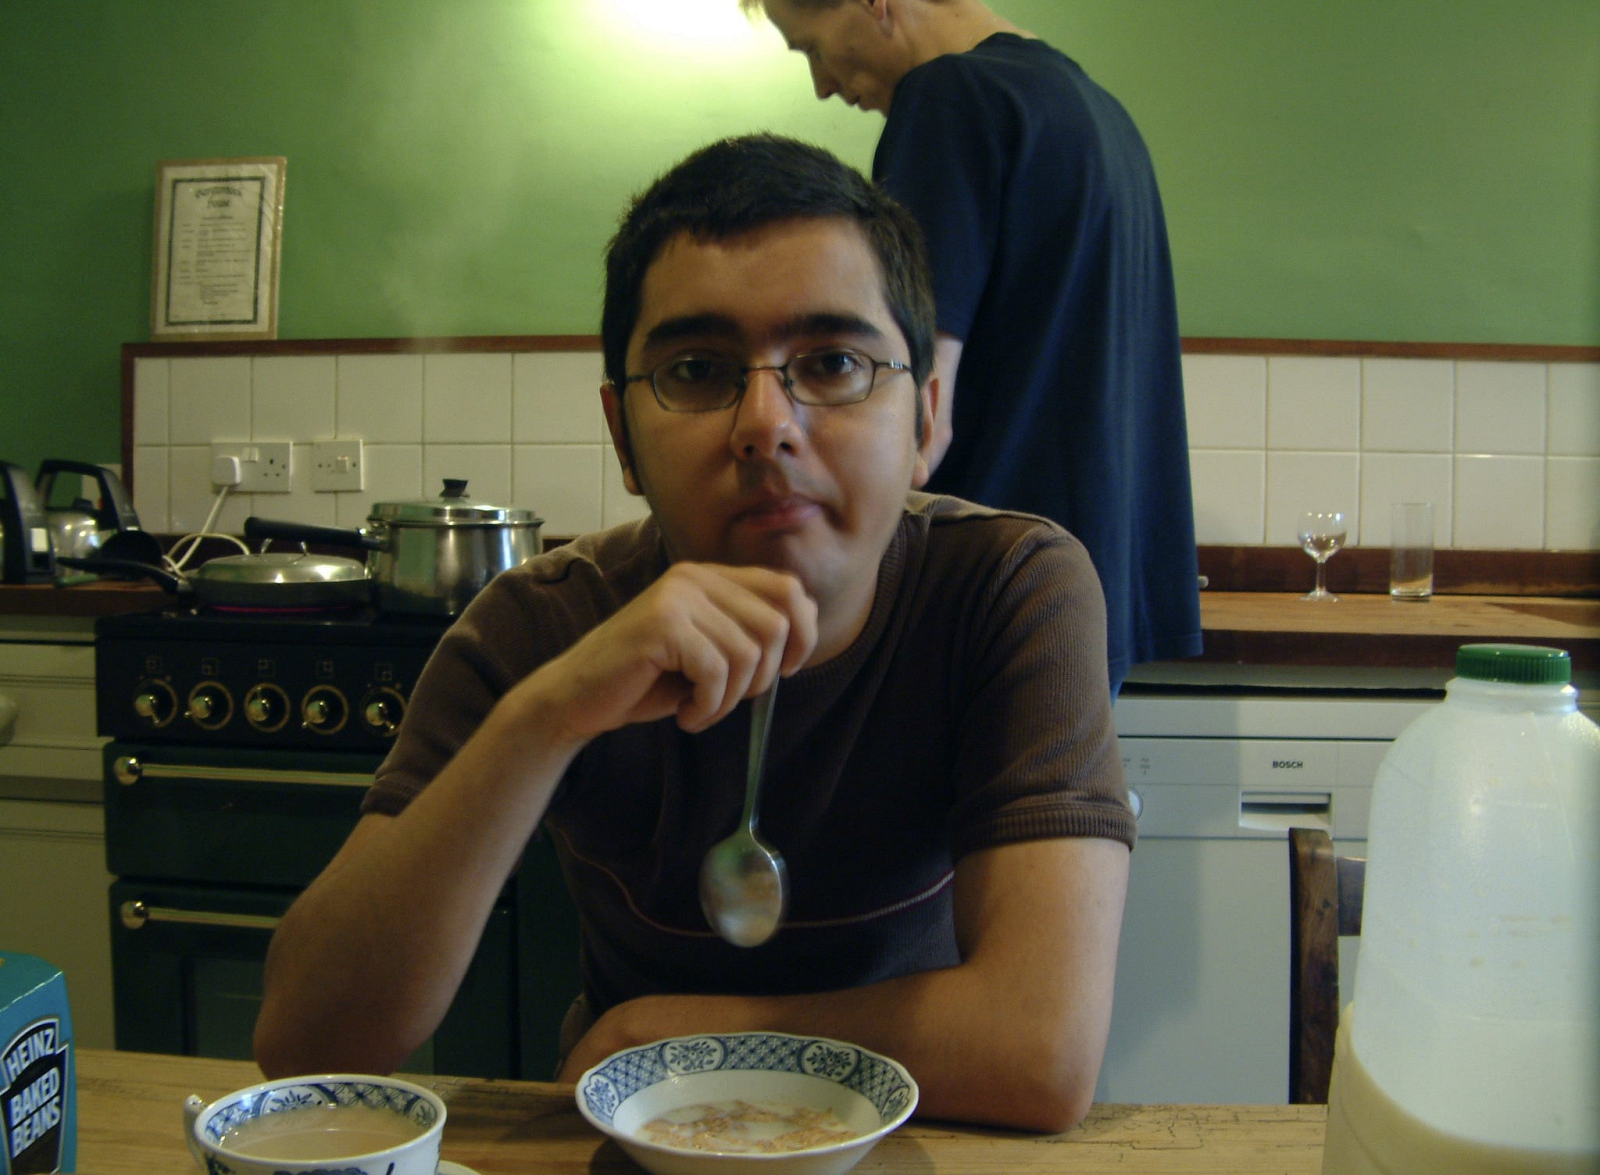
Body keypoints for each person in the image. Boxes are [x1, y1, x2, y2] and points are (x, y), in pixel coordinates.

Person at [253, 134, 1133, 1133]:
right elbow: (309, 1044)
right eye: (697, 369)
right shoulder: (542, 626)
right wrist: (546, 717)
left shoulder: (1009, 589)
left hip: (919, 1134)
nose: (765, 422)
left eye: (833, 363)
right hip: (637, 1143)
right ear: (622, 436)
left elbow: (1040, 1049)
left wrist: (673, 1036)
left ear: (926, 419)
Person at [740, 0, 1203, 694]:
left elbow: (916, 410)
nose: (823, 86)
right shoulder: (1095, 111)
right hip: (1088, 588)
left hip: (983, 592)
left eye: (812, 48)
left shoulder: (951, 99)